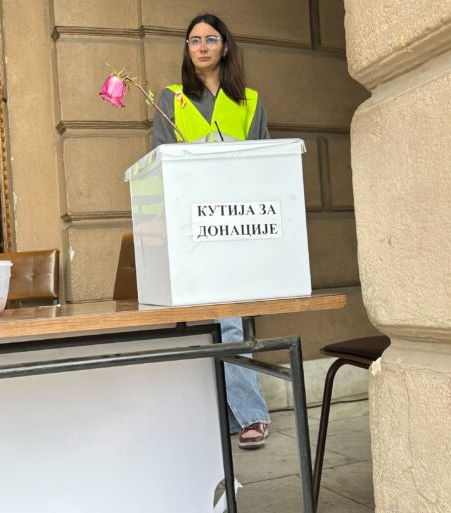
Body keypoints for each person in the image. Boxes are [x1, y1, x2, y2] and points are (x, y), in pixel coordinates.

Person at [151, 13, 271, 449]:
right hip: (191, 221)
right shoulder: (172, 99)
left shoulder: (251, 101)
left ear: (225, 46)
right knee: (214, 318)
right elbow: (161, 162)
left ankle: (248, 414)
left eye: (210, 39)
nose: (201, 46)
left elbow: (263, 164)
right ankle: (241, 414)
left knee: (229, 317)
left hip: (237, 221)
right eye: (193, 40)